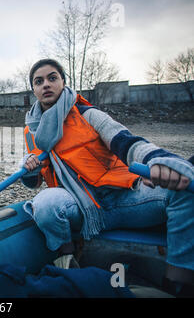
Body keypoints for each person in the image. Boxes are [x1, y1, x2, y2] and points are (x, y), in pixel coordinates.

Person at [20, 58, 194, 297]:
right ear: (34, 90)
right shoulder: (32, 130)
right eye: (39, 82)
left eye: (52, 78)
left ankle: (177, 283)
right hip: (78, 206)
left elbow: (125, 141)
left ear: (63, 82)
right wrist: (29, 169)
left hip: (123, 197)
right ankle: (70, 261)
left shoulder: (87, 113)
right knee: (44, 204)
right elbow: (34, 181)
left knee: (183, 193)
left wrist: (157, 159)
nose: (46, 85)